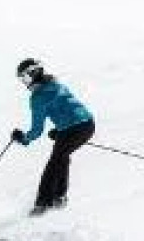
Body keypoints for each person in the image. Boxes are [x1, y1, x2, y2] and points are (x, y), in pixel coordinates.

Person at [10, 58, 96, 215]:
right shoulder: (56, 84)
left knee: (55, 161)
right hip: (88, 125)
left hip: (74, 129)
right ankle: (59, 198)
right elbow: (67, 108)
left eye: (25, 77)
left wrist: (24, 138)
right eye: (21, 79)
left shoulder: (38, 97)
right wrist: (60, 130)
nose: (24, 82)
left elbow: (37, 130)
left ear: (33, 73)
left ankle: (43, 204)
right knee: (61, 157)